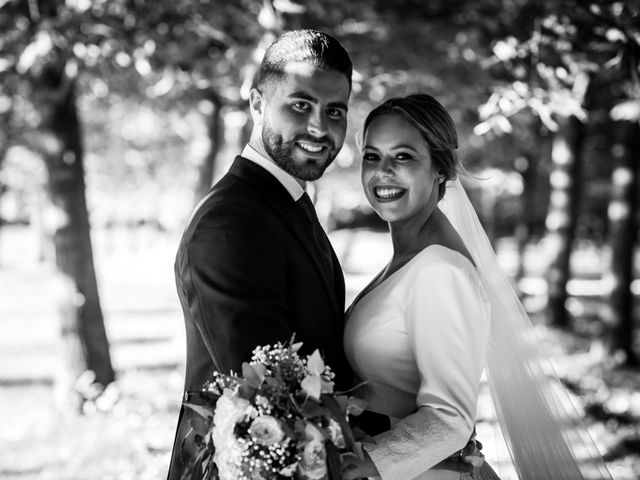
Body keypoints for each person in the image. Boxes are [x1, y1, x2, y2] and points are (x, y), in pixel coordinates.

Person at [342, 94, 613, 480]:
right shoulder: (406, 260)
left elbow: (450, 419)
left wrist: (361, 464)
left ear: (440, 167)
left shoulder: (442, 270)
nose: (382, 171)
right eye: (372, 156)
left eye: (403, 156)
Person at [166, 29, 356, 479]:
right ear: (256, 104)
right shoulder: (231, 224)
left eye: (335, 111)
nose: (319, 127)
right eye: (300, 104)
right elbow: (269, 400)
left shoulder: (281, 204)